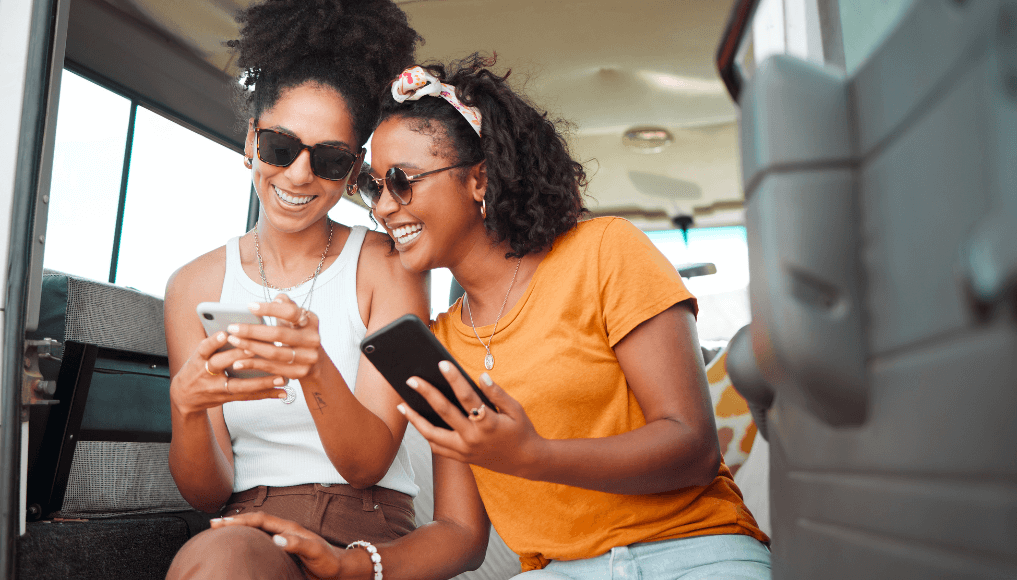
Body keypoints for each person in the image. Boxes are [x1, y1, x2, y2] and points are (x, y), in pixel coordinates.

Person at [215, 54, 771, 580]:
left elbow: (692, 447)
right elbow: (460, 533)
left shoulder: (604, 250)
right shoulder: (437, 344)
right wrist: (350, 564)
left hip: (696, 552)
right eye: (372, 186)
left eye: (403, 181)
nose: (384, 207)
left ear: (479, 178)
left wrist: (535, 457)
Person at [162, 2, 463, 578]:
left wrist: (314, 365)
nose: (299, 174)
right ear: (251, 140)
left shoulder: (388, 268)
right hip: (246, 530)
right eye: (280, 146)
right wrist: (187, 409)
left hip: (364, 529)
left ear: (353, 174)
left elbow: (366, 463)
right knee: (218, 559)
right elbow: (206, 495)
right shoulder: (192, 286)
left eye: (328, 159)